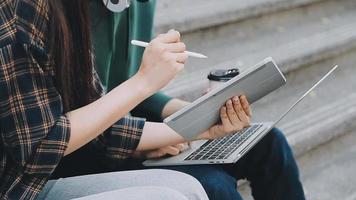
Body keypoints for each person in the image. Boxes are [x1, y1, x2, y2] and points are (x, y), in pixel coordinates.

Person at [0, 0, 252, 199]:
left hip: (39, 180)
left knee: (192, 188)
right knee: (184, 191)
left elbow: (100, 117)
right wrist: (143, 81)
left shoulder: (71, 9)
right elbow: (39, 146)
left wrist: (200, 126)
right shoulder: (18, 9)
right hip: (18, 187)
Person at [55, 1, 305, 200]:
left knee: (268, 141)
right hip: (87, 148)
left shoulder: (141, 4)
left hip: (130, 129)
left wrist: (199, 113)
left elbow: (136, 89)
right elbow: (74, 121)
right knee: (212, 185)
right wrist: (164, 136)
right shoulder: (71, 12)